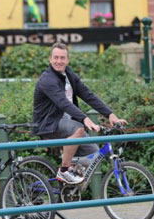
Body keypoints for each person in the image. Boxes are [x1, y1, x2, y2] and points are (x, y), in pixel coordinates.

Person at [33, 42, 127, 184]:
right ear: (50, 59)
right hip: (49, 123)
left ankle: (67, 186)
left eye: (62, 58)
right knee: (78, 129)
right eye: (56, 57)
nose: (59, 61)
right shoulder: (48, 80)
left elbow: (87, 95)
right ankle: (64, 171)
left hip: (68, 121)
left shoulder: (68, 74)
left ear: (68, 59)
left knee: (94, 153)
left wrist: (110, 114)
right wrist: (85, 119)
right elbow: (63, 103)